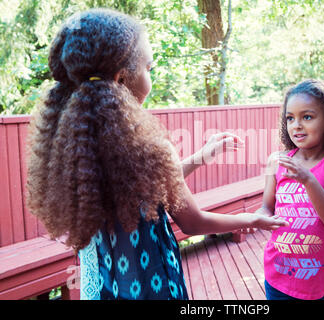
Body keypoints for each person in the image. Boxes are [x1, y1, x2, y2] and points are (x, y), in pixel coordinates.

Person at [25, 8, 287, 300]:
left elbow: (144, 188)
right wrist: (253, 219)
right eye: (149, 68)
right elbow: (193, 222)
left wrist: (202, 155)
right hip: (150, 284)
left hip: (106, 283)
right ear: (121, 78)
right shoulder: (143, 146)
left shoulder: (75, 146)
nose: (151, 76)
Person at [256, 79, 324, 300]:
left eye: (307, 117)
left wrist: (308, 180)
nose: (296, 125)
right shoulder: (277, 161)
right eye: (290, 118)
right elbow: (266, 207)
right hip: (279, 274)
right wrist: (256, 219)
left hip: (322, 277)